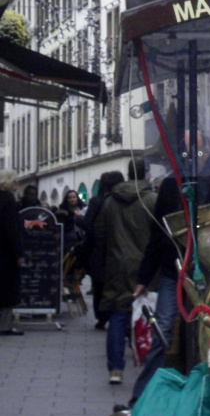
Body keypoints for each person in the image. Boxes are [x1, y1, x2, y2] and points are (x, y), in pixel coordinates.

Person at [94, 158, 157, 384]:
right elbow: (160, 234)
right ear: (146, 174)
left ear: (129, 173)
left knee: (118, 315)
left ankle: (115, 369)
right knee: (148, 314)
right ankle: (148, 362)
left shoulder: (111, 202)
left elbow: (100, 233)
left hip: (117, 264)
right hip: (145, 266)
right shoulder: (151, 200)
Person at [129, 175, 182, 406]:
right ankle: (141, 396)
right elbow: (159, 233)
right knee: (162, 330)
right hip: (173, 269)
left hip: (200, 269)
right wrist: (144, 276)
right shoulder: (171, 185)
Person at [82, 170, 124, 330]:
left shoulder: (97, 201)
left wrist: (78, 219)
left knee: (99, 284)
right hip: (119, 246)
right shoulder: (122, 200)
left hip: (99, 249)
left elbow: (88, 224)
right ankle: (115, 314)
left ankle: (101, 316)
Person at [0, 169, 25, 336]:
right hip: (6, 252)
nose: (17, 184)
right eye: (14, 181)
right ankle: (5, 326)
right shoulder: (8, 200)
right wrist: (19, 253)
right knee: (8, 289)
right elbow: (12, 229)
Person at [55, 189, 85, 255]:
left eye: (74, 197)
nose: (72, 199)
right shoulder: (62, 211)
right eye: (70, 198)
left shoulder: (83, 209)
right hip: (68, 240)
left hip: (82, 238)